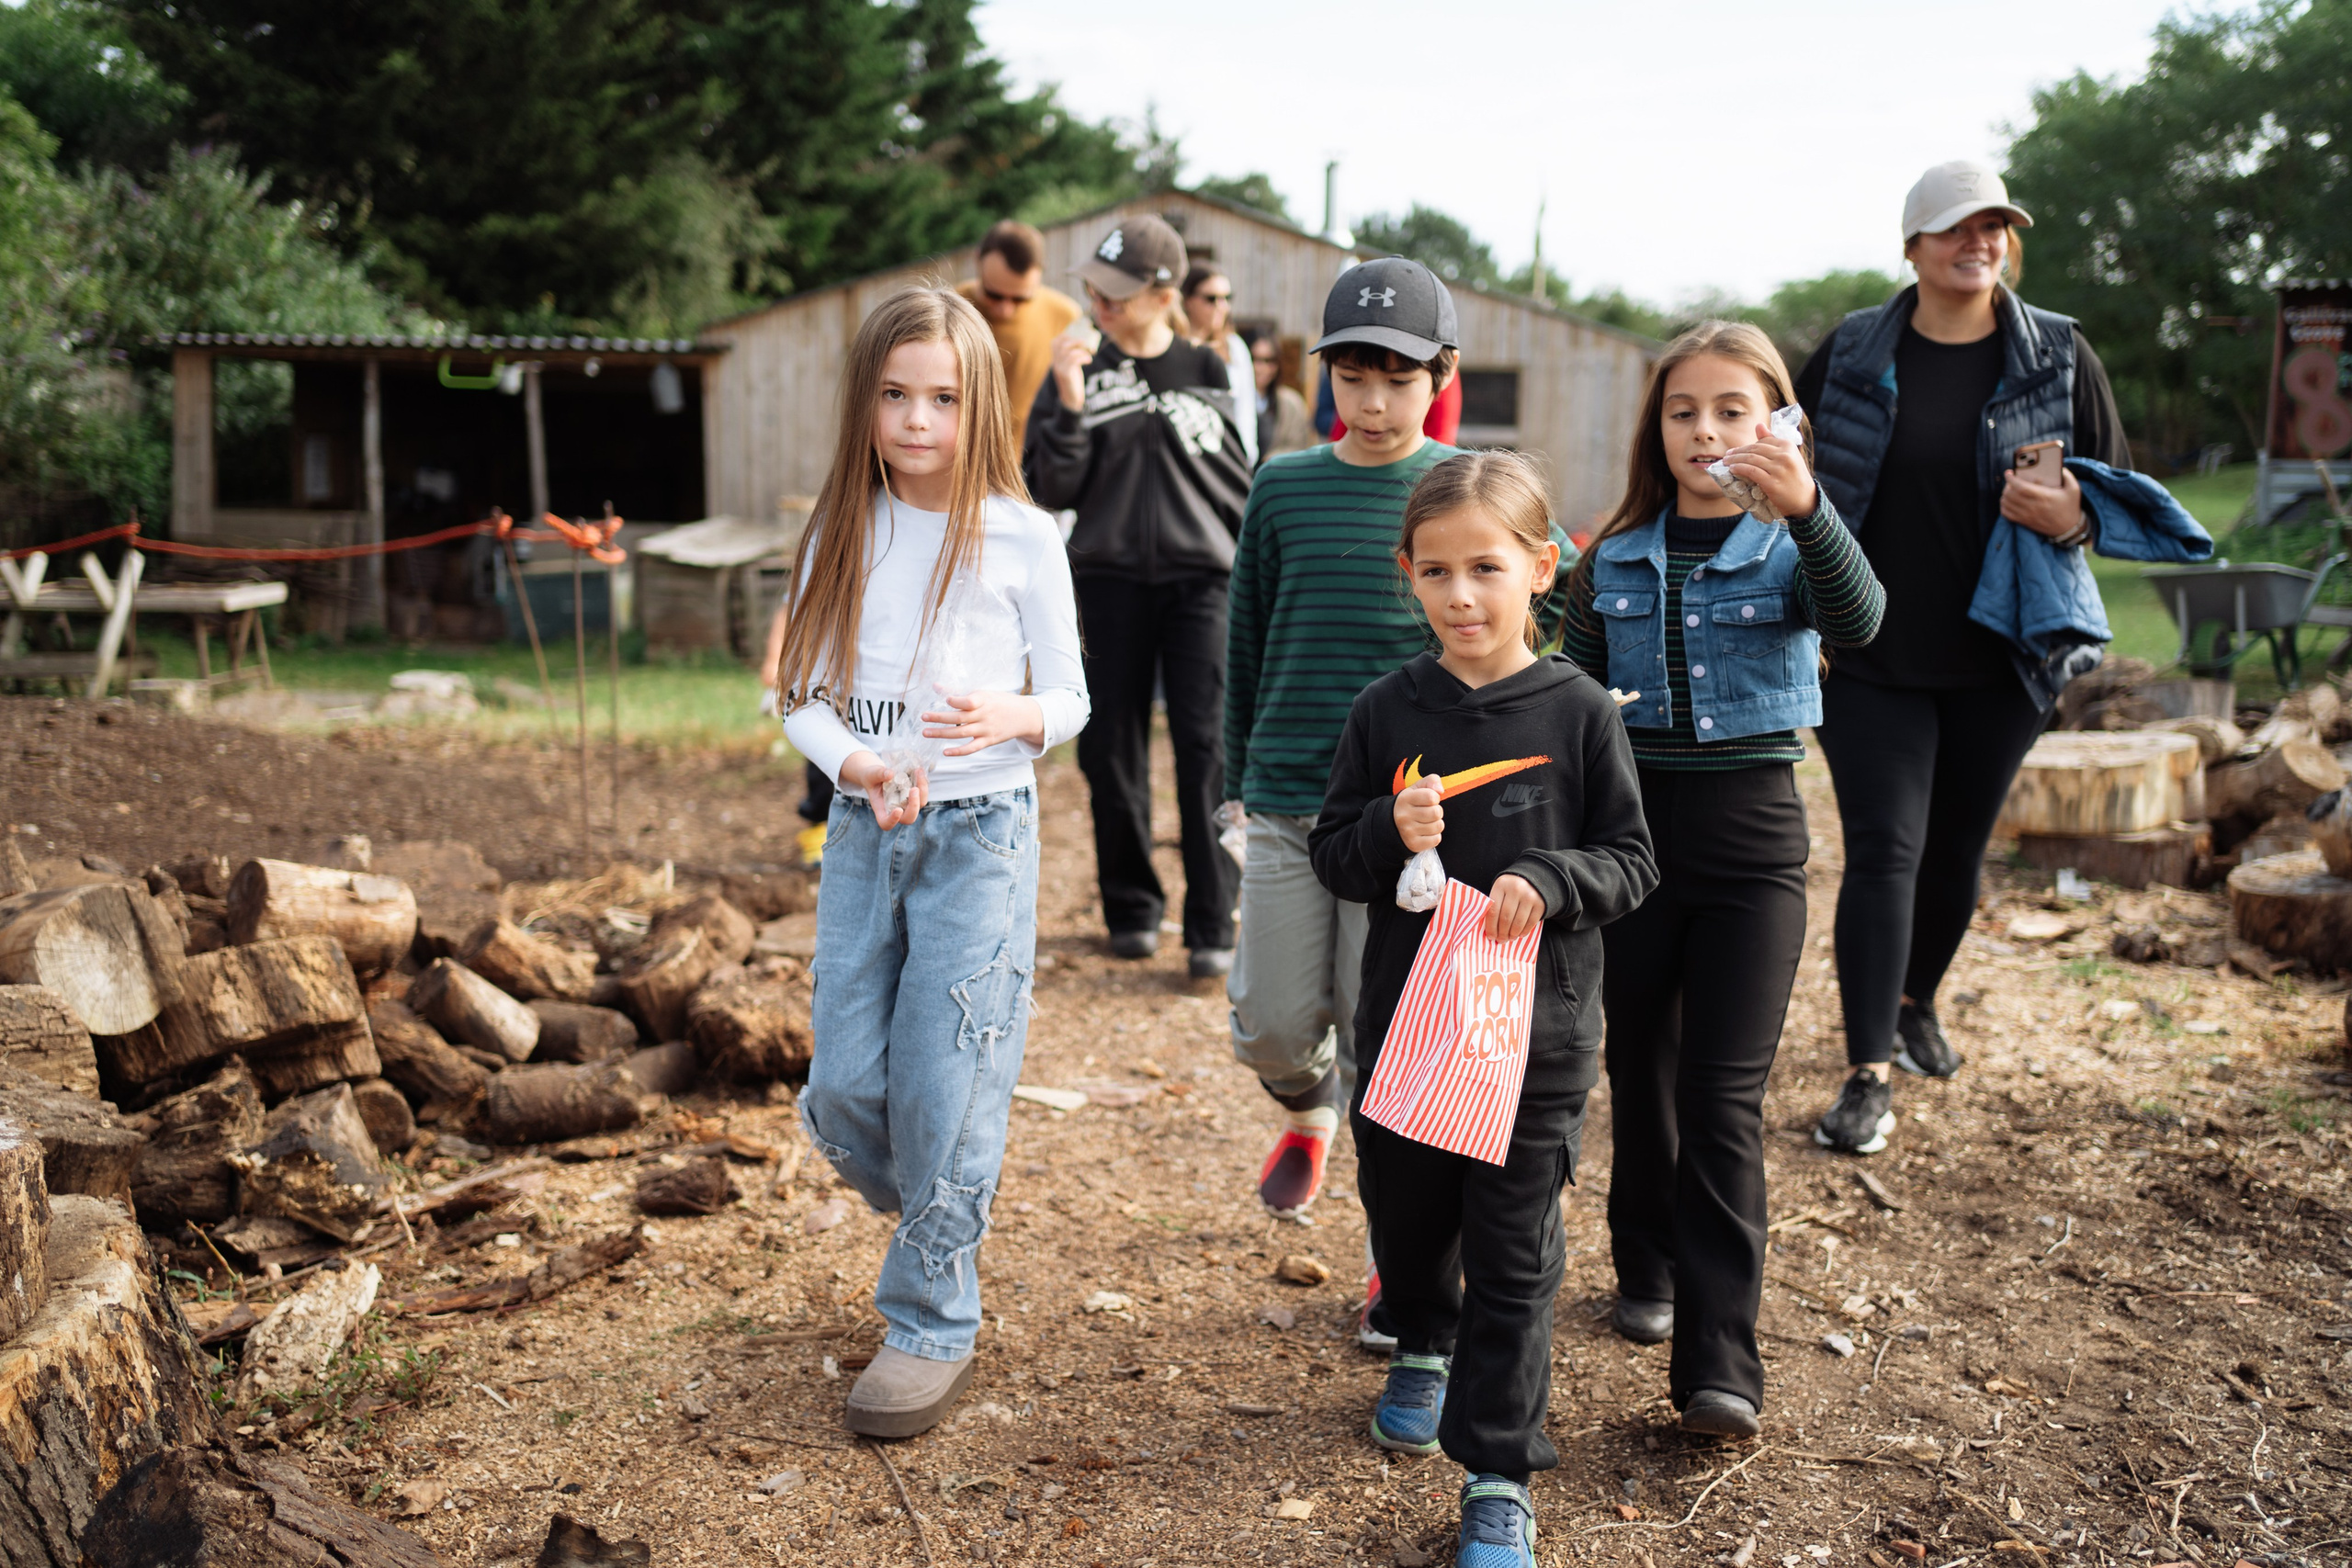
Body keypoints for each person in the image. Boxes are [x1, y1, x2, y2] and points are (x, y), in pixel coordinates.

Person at [1792, 159, 2192, 1156]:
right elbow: (1787, 466)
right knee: (1885, 849)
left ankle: (1917, 996)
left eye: (1994, 228)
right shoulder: (1849, 351)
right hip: (1866, 650)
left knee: (1955, 852)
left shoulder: (2055, 353)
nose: (1978, 244)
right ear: (1913, 245)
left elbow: (2118, 492)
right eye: (1955, 229)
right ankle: (1867, 1071)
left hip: (2002, 651)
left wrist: (2073, 513)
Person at [1310, 451, 1656, 1568]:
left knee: (1517, 1256)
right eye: (1438, 573)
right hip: (1410, 1038)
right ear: (1408, 576)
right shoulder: (1383, 710)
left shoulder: (1580, 712)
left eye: (1487, 569)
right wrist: (1383, 836)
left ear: (1541, 568)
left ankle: (1499, 1473)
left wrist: (1552, 882)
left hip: (1534, 1046)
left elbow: (1632, 860)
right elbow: (1333, 856)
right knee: (1407, 1223)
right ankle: (1421, 1332)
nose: (1462, 596)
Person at [1557, 321, 1883, 1438]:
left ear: (1775, 422)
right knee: (1637, 1071)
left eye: (1732, 410)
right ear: (1657, 427)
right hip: (1633, 842)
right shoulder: (1612, 555)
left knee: (1721, 1097)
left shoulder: (1795, 546)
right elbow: (1567, 692)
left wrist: (1805, 508)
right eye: (1683, 410)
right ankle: (1641, 1265)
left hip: (1752, 846)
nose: (1706, 430)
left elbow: (1864, 621)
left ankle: (1719, 1364)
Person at [775, 287, 1088, 1438]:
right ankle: (947, 1204)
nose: (917, 421)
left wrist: (1015, 715)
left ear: (979, 406)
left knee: (949, 1076)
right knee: (849, 1087)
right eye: (896, 396)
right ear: (865, 402)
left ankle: (930, 1315)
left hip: (982, 837)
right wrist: (854, 766)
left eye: (943, 398)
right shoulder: (836, 531)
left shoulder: (1020, 532)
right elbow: (798, 698)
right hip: (871, 834)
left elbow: (1071, 697)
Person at [1226, 256, 1581, 1249]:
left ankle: (1403, 1269)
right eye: (1352, 377)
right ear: (1322, 378)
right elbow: (1244, 644)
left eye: (1398, 377)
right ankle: (1305, 1110)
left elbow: (1565, 592)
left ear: (1442, 374)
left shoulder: (1463, 490)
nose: (1374, 401)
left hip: (1418, 825)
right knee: (1273, 1024)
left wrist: (1555, 720)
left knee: (1388, 1042)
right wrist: (1229, 792)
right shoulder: (1282, 487)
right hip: (1291, 800)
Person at [1026, 215, 1253, 977]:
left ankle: (1211, 922)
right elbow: (1049, 485)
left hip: (1201, 585)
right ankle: (1131, 908)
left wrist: (1251, 566)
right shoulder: (1079, 369)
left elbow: (1236, 484)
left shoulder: (1208, 367)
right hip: (1106, 579)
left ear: (1164, 293)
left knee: (1206, 750)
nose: (1099, 304)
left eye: (1116, 294)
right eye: (1093, 290)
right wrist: (1066, 399)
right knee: (1109, 749)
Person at [957, 220, 1082, 450]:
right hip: (959, 456)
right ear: (977, 261)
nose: (1006, 309)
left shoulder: (1064, 315)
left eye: (1020, 299)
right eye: (994, 295)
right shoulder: (950, 310)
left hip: (1030, 463)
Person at [1183, 265, 1259, 468]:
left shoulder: (1234, 347)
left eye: (1226, 298)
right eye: (1211, 299)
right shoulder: (1174, 345)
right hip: (1186, 457)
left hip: (1228, 457)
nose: (1221, 306)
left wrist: (1246, 457)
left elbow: (1245, 408)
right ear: (1187, 300)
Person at [1250, 333, 1317, 457]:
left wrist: (1272, 459)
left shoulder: (1291, 403)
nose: (1263, 368)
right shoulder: (1237, 399)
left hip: (1276, 472)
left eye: (1269, 361)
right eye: (1257, 360)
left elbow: (1300, 444)